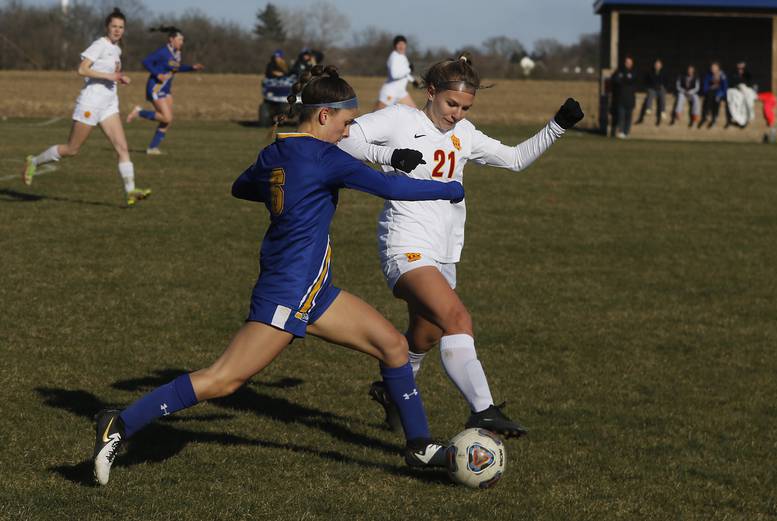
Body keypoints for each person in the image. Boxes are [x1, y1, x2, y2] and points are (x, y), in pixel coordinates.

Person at [91, 65, 466, 486]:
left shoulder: (277, 151)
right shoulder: (327, 158)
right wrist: (450, 188)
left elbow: (241, 186)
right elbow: (395, 189)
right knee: (224, 379)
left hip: (313, 289)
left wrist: (279, 191)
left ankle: (418, 447)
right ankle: (119, 424)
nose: (347, 133)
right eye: (345, 123)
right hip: (288, 289)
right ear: (324, 116)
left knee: (394, 346)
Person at [338, 54, 583, 438]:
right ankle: (483, 410)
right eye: (452, 104)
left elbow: (516, 160)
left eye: (466, 108)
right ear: (431, 92)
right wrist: (389, 156)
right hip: (405, 244)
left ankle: (392, 388)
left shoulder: (464, 134)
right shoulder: (400, 119)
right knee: (457, 319)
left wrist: (558, 125)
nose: (457, 114)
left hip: (444, 252)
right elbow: (346, 138)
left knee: (429, 331)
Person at [21, 8, 150, 207]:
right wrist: (110, 76)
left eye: (121, 27)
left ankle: (131, 191)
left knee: (122, 148)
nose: (117, 30)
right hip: (90, 103)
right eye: (114, 26)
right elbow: (82, 69)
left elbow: (109, 71)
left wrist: (120, 77)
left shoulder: (117, 49)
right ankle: (34, 162)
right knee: (72, 149)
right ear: (107, 27)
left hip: (108, 105)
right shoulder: (99, 44)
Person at [126, 25, 204, 155]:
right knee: (166, 118)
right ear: (171, 40)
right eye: (180, 39)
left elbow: (176, 68)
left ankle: (152, 148)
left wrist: (192, 68)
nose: (182, 42)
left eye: (182, 40)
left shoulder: (177, 54)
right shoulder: (163, 52)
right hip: (155, 88)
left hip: (166, 89)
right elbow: (146, 62)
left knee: (168, 120)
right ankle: (139, 112)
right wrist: (157, 74)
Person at [375, 35, 418, 110]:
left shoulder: (403, 56)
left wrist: (413, 80)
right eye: (399, 44)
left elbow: (404, 73)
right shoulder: (394, 57)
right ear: (395, 46)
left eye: (403, 44)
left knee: (414, 112)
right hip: (390, 92)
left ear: (406, 45)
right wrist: (409, 69)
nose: (401, 46)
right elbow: (395, 75)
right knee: (375, 115)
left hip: (401, 92)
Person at [636, 58, 667, 126]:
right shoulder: (650, 72)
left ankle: (663, 111)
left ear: (661, 66)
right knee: (650, 94)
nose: (657, 66)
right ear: (654, 65)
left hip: (660, 89)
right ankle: (648, 108)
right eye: (656, 65)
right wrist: (649, 87)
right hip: (652, 88)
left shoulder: (663, 73)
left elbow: (665, 82)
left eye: (659, 65)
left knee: (663, 96)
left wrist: (663, 87)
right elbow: (646, 81)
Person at [611, 55, 636, 138]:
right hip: (620, 98)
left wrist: (624, 79)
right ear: (624, 63)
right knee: (621, 116)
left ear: (632, 63)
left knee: (628, 117)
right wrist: (625, 79)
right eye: (627, 62)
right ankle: (621, 132)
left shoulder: (634, 72)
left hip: (630, 99)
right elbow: (616, 80)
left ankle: (626, 132)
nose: (628, 64)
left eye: (630, 62)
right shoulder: (619, 71)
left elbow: (632, 80)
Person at [699, 62, 727, 129]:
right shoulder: (708, 75)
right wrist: (708, 90)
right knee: (710, 96)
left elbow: (725, 86)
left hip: (719, 93)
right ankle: (706, 114)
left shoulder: (722, 75)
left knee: (716, 100)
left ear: (718, 68)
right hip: (710, 93)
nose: (713, 69)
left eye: (714, 67)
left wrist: (721, 94)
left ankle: (714, 118)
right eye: (712, 68)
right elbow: (705, 85)